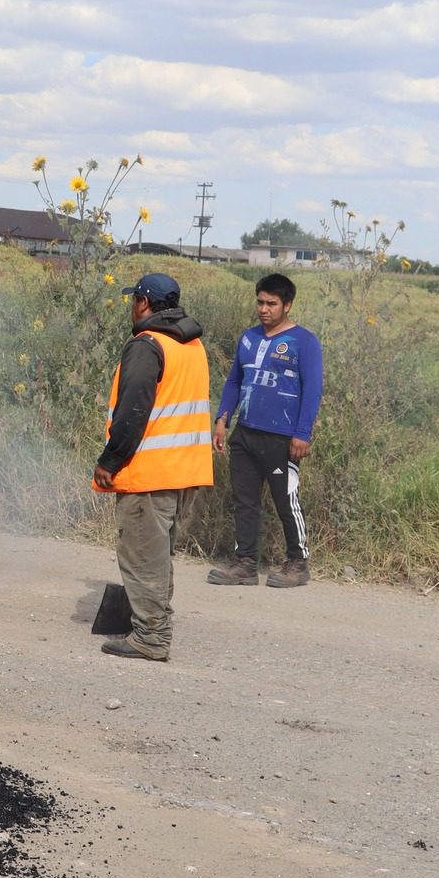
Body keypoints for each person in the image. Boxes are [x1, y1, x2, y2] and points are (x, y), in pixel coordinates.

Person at [92, 273, 213, 662]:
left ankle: (151, 637)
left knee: (143, 557)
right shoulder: (192, 345)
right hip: (185, 472)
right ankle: (150, 626)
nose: (131, 309)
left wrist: (110, 461)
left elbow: (132, 413)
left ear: (144, 303)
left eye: (133, 301)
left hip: (151, 473)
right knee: (158, 556)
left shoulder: (147, 346)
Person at [208, 273, 323, 588]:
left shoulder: (305, 342)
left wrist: (302, 434)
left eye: (271, 303)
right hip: (245, 433)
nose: (264, 309)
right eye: (260, 301)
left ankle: (298, 564)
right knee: (244, 500)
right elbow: (235, 381)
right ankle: (245, 564)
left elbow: (312, 390)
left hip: (282, 437)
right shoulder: (248, 338)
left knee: (286, 500)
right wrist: (222, 419)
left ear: (287, 305)